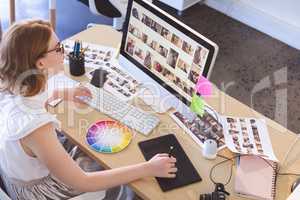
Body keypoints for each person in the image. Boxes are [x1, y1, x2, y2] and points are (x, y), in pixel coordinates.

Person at [0, 19, 177, 200]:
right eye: (58, 48)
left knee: (94, 148)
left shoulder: (12, 88)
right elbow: (85, 182)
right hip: (41, 192)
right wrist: (149, 168)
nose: (65, 52)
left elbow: (31, 101)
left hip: (16, 176)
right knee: (124, 174)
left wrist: (63, 92)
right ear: (40, 64)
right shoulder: (37, 129)